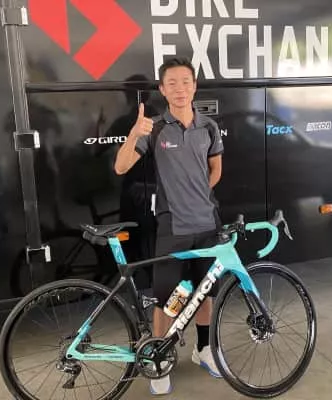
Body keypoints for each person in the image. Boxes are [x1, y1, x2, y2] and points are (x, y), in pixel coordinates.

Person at [113, 57, 224, 395]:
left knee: (205, 291)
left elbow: (216, 169)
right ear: (162, 90)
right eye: (172, 83)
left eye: (185, 81)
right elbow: (120, 167)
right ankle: (159, 359)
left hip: (207, 223)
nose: (180, 89)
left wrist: (197, 195)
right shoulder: (155, 128)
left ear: (194, 86)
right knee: (167, 297)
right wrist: (134, 133)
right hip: (172, 227)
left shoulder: (209, 127)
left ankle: (204, 349)